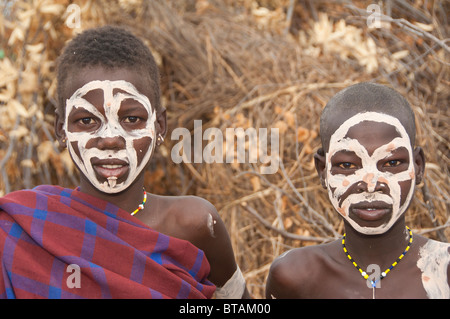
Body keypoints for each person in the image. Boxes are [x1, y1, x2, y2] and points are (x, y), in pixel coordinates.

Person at [0, 26, 248, 299]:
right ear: (61, 129)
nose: (110, 139)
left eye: (131, 119)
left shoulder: (196, 224)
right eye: (87, 120)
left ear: (159, 126)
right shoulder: (23, 229)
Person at [265, 82, 449, 299]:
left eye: (391, 163)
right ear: (323, 170)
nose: (371, 184)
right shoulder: (295, 277)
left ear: (417, 166)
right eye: (347, 165)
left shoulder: (443, 273)